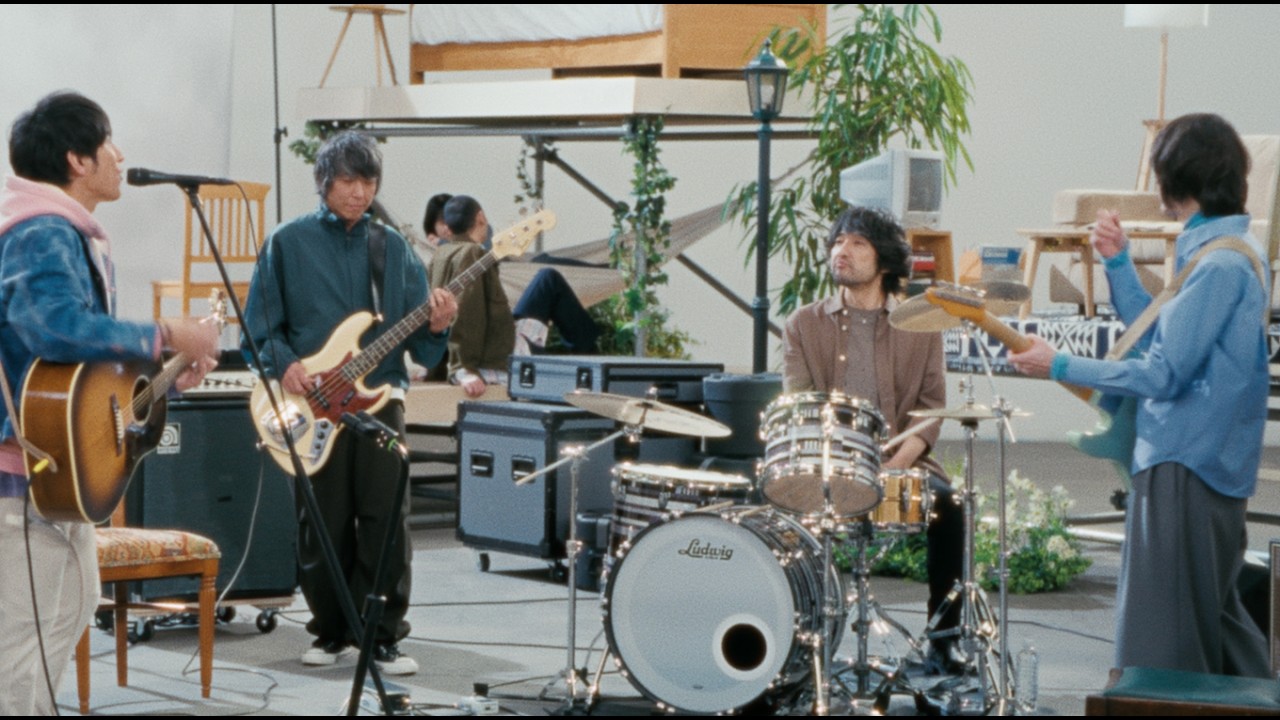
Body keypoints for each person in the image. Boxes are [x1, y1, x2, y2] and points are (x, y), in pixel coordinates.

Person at [1009, 113, 1270, 677]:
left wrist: (1059, 364)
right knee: (1214, 620)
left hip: (1184, 462)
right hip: (1204, 463)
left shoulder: (1219, 265)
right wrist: (1118, 262)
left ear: (1177, 179)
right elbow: (1159, 336)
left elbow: (1162, 374)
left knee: (1164, 638)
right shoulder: (1231, 248)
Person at [0, 91, 219, 715]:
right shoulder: (40, 230)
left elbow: (78, 373)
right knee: (22, 641)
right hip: (23, 474)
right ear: (77, 160)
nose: (119, 157)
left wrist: (163, 373)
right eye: (107, 144)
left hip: (54, 473)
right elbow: (55, 328)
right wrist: (165, 332)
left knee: (66, 612)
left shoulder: (62, 230)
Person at [243, 131, 457, 675]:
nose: (359, 192)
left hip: (380, 400)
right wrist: (284, 364)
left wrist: (438, 324)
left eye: (368, 182)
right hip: (311, 401)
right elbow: (259, 330)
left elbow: (423, 347)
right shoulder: (286, 243)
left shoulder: (393, 247)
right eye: (348, 181)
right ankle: (330, 631)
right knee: (321, 520)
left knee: (387, 520)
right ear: (323, 181)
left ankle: (381, 636)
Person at [782, 205, 963, 669]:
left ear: (883, 259)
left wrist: (895, 465)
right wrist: (841, 461)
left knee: (950, 506)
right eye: (838, 241)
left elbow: (931, 410)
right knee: (773, 510)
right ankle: (791, 638)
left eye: (857, 243)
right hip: (826, 462)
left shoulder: (922, 326)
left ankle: (944, 639)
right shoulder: (803, 323)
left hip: (902, 462)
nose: (841, 250)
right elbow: (801, 406)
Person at [429, 194, 598, 398]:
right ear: (481, 217)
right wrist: (463, 370)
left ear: (447, 227)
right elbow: (468, 313)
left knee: (547, 279)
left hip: (494, 347)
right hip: (503, 360)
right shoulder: (473, 253)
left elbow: (434, 315)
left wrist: (434, 369)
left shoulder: (439, 255)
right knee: (549, 280)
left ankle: (589, 357)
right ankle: (593, 363)